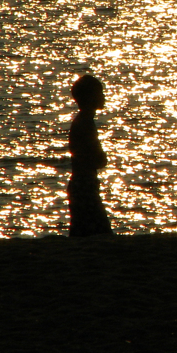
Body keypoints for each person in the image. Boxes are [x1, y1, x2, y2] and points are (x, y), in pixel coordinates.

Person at [67, 74, 114, 237]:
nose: (103, 97)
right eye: (99, 94)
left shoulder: (84, 121)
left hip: (84, 184)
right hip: (84, 186)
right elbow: (92, 157)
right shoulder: (85, 123)